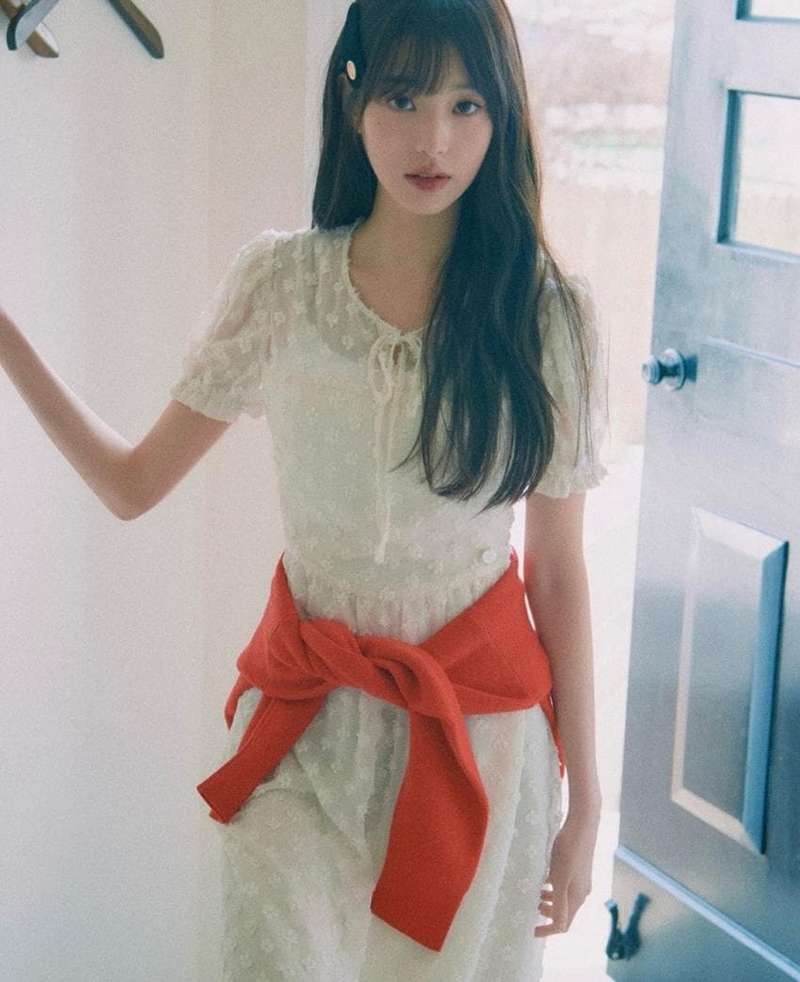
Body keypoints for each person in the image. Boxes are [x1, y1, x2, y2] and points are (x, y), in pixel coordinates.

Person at [0, 0, 607, 978]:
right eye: (404, 98)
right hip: (305, 730)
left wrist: (587, 806)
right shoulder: (282, 285)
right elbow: (132, 484)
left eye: (466, 105)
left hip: (481, 746)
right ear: (353, 95)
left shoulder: (544, 316)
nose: (434, 139)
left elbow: (559, 574)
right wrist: (6, 336)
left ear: (502, 118)